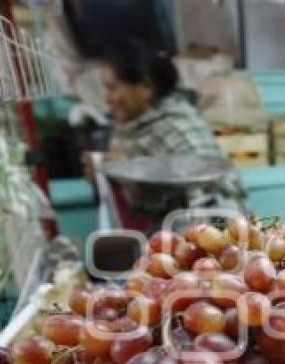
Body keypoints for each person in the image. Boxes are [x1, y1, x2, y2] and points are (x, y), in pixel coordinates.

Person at [99, 41, 247, 226]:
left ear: (145, 87)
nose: (107, 98)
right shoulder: (134, 131)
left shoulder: (177, 128)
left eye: (112, 88)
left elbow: (208, 204)